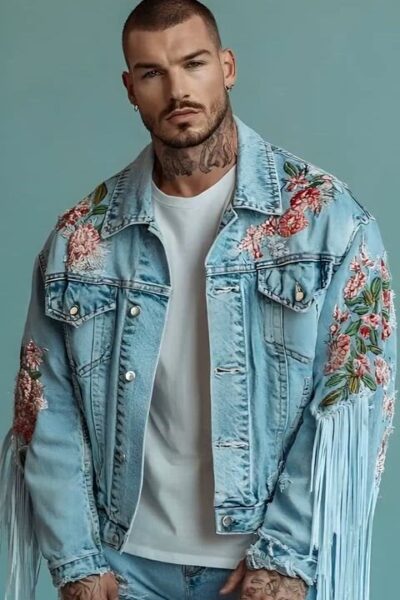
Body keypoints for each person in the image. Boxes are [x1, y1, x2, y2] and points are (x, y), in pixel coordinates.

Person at [0, 1, 397, 599]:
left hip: (265, 566)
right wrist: (77, 561)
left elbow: (355, 396)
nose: (178, 90)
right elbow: (44, 406)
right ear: (130, 89)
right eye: (153, 73)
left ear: (227, 67)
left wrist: (288, 556)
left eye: (194, 63)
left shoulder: (328, 221)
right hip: (123, 570)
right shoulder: (82, 240)